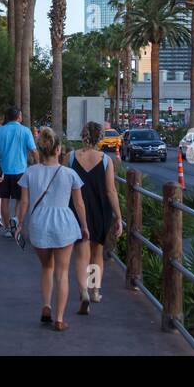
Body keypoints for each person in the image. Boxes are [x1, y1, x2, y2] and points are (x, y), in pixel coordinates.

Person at [16, 128, 89, 331]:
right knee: (62, 272)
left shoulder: (30, 172)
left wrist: (20, 224)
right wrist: (84, 226)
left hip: (39, 223)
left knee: (47, 267)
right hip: (64, 224)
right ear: (58, 149)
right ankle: (59, 318)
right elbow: (79, 204)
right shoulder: (70, 174)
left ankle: (46, 306)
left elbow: (24, 202)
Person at [68, 122, 123, 314]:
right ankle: (95, 291)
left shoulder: (71, 157)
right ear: (99, 138)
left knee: (81, 254)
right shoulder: (105, 160)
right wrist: (118, 216)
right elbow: (110, 191)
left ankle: (83, 292)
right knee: (96, 253)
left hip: (77, 210)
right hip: (100, 210)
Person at [0, 107, 36, 236]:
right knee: (20, 199)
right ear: (18, 117)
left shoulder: (0, 131)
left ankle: (8, 228)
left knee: (4, 199)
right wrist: (39, 164)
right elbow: (33, 150)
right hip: (20, 171)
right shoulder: (25, 131)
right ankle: (15, 222)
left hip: (4, 171)